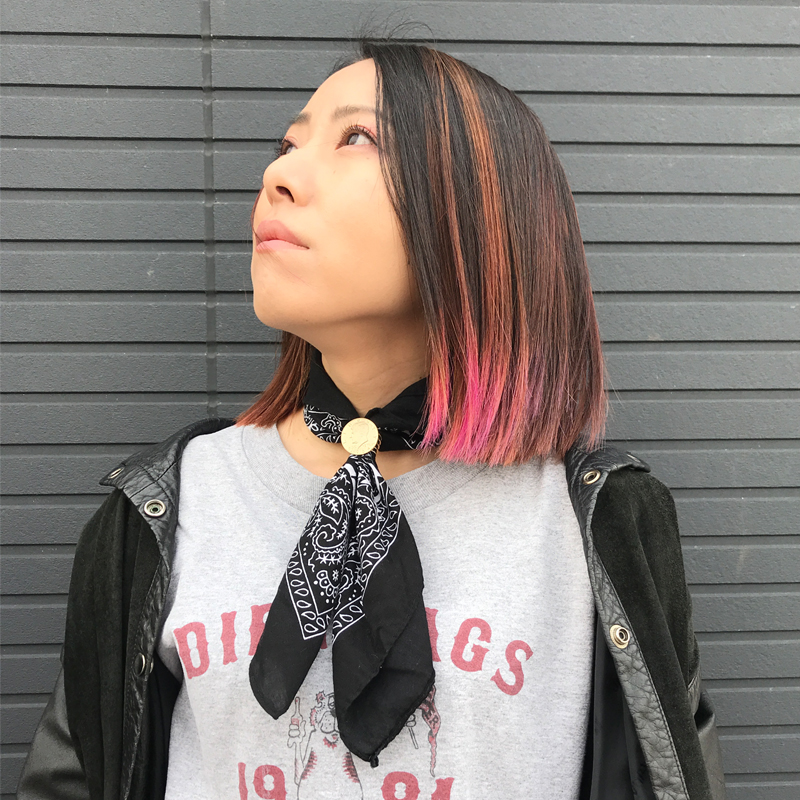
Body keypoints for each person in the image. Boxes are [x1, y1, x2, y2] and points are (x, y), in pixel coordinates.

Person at [17, 38, 726, 800]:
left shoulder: (599, 527)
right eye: (287, 145)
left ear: (481, 211)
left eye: (357, 137)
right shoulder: (163, 508)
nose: (278, 175)